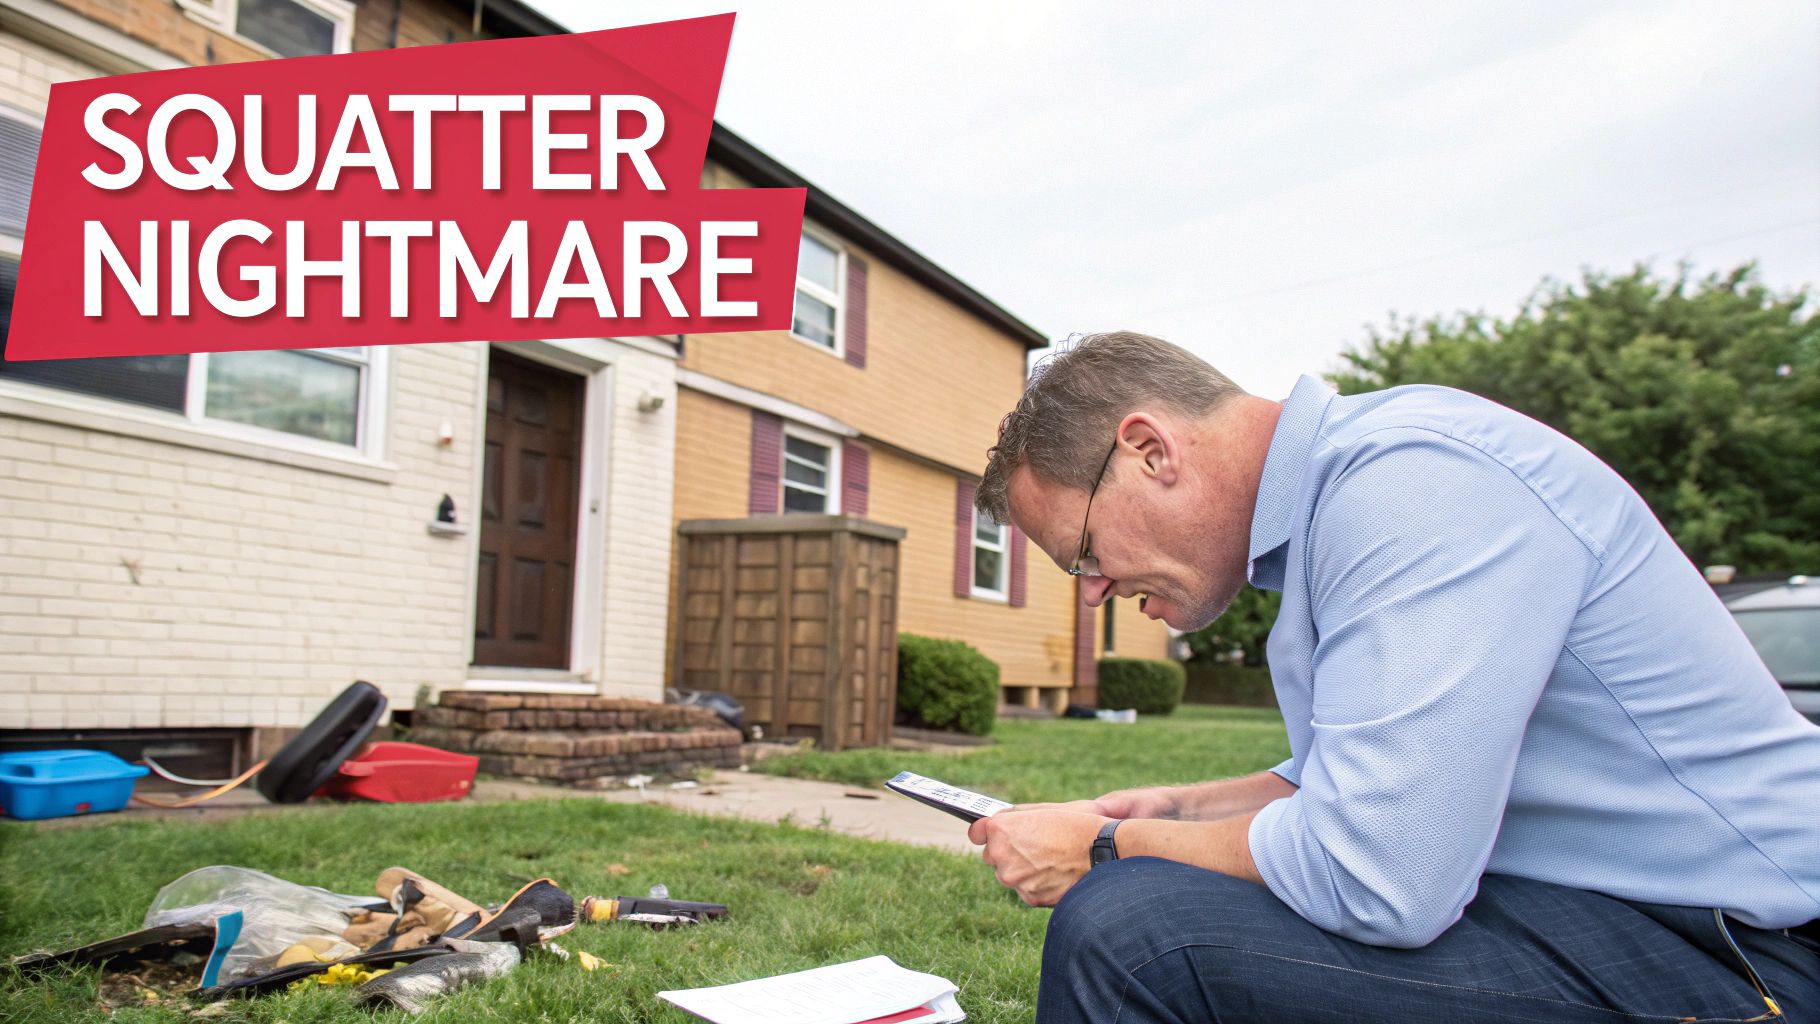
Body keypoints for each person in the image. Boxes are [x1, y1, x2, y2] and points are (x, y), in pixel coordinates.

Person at [968, 331, 1820, 1023]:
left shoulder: (1412, 483)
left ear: (1150, 450)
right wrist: (1178, 810)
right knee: (1160, 891)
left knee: (1134, 930)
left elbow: (1377, 875)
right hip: (1623, 911)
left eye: (1082, 554)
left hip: (1752, 949)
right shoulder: (1340, 509)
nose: (1094, 595)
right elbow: (1359, 787)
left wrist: (1107, 847)